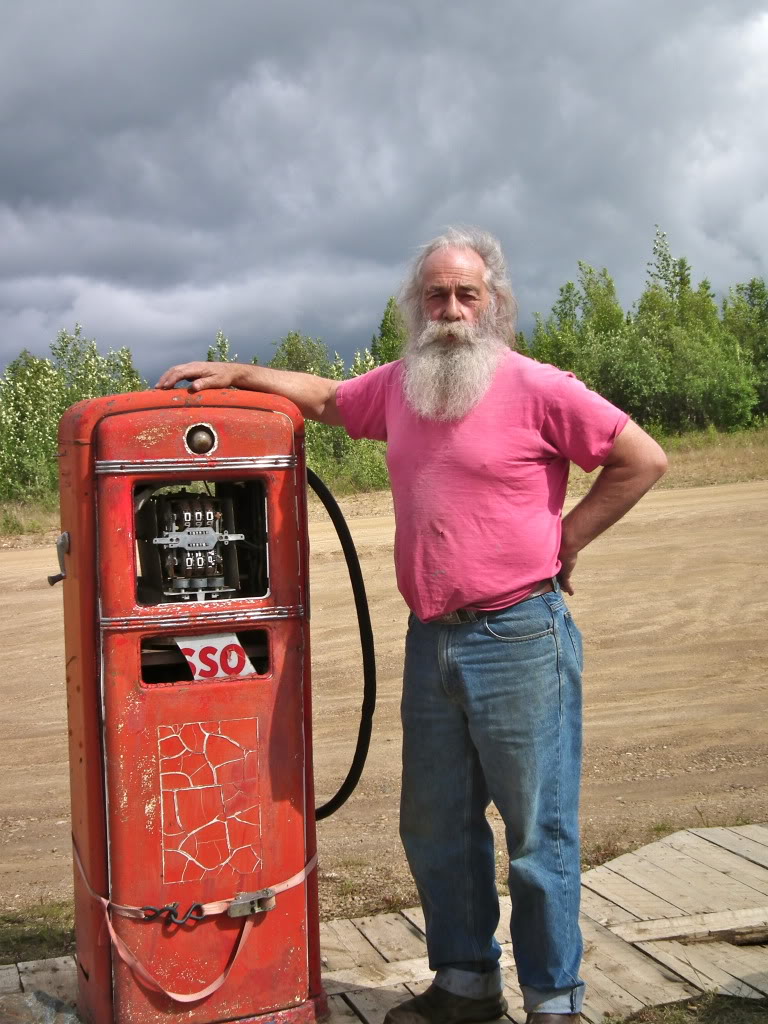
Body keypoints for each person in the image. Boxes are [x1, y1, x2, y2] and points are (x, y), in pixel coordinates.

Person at [157, 228, 667, 1024]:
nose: (452, 310)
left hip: (519, 634)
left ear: (495, 303)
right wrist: (239, 372)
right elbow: (328, 398)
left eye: (468, 294)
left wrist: (565, 538)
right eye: (437, 295)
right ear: (416, 306)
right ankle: (466, 985)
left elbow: (642, 458)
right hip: (431, 637)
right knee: (435, 825)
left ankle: (555, 1001)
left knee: (538, 837)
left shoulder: (541, 387)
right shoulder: (403, 386)